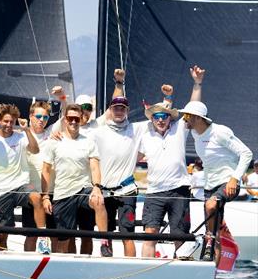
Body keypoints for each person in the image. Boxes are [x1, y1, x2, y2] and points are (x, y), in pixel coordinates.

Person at [178, 77, 253, 257]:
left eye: (186, 116)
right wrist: (196, 83)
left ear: (197, 118)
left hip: (228, 183)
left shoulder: (220, 132)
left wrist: (235, 177)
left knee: (211, 208)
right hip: (209, 185)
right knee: (214, 230)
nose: (183, 119)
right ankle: (211, 277)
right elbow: (185, 111)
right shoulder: (195, 133)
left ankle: (209, 238)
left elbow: (246, 153)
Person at [139, 66, 204, 258]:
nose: (160, 120)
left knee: (179, 234)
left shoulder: (179, 129)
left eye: (164, 116)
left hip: (179, 190)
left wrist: (197, 83)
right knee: (150, 234)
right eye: (156, 117)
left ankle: (181, 267)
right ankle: (145, 269)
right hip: (154, 192)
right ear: (152, 119)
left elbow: (193, 107)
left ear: (170, 118)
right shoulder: (145, 134)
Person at [87, 69, 149, 257]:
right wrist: (118, 84)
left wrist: (167, 98)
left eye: (123, 108)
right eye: (115, 108)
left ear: (128, 111)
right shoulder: (98, 129)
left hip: (127, 191)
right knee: (107, 234)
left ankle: (130, 266)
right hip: (104, 191)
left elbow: (160, 117)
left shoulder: (136, 129)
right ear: (110, 110)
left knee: (127, 234)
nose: (119, 111)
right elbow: (73, 126)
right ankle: (106, 252)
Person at [41, 103, 112, 256]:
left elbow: (94, 167)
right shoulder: (53, 142)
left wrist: (97, 187)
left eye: (77, 119)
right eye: (70, 118)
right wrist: (45, 196)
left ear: (81, 119)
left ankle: (104, 243)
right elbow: (46, 170)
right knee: (66, 241)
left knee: (98, 203)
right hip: (63, 194)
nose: (73, 122)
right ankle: (68, 272)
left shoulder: (89, 141)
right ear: (65, 120)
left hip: (82, 190)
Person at [0, 103, 50, 254]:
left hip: (21, 184)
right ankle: (3, 258)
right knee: (3, 235)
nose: (9, 125)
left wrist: (26, 130)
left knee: (36, 197)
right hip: (0, 190)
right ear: (0, 121)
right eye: (6, 121)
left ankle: (42, 238)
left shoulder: (21, 136)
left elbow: (35, 150)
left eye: (12, 122)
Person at [23, 100, 58, 252]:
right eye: (38, 116)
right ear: (30, 116)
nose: (41, 120)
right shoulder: (20, 136)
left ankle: (56, 270)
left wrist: (61, 97)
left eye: (45, 117)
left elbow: (67, 117)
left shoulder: (52, 133)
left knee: (55, 235)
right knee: (31, 235)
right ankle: (26, 269)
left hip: (51, 191)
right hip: (31, 191)